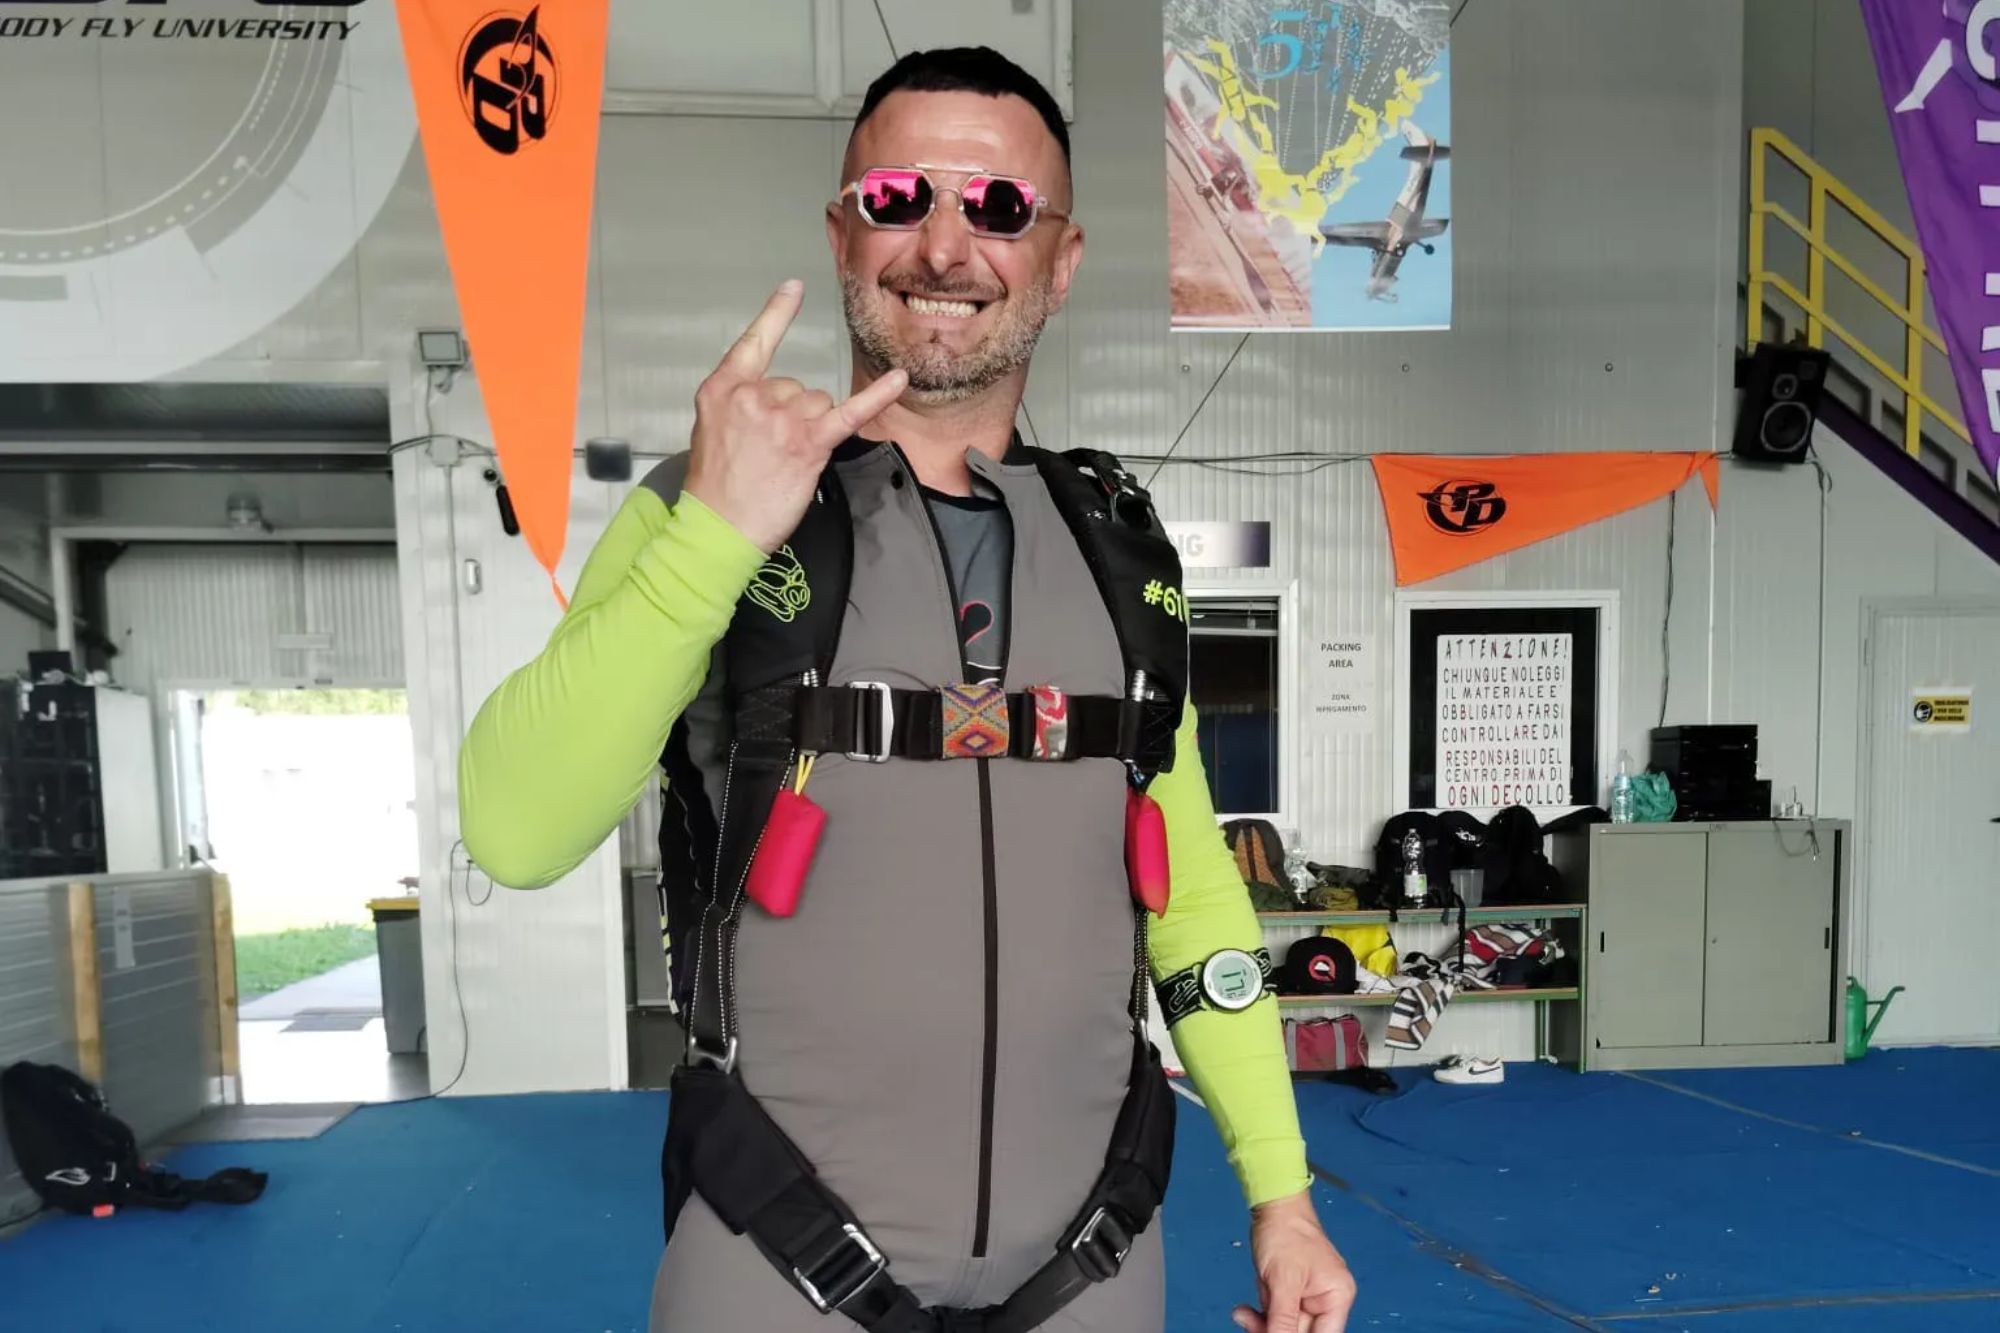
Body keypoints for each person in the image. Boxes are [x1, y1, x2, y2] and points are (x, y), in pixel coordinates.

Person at [457, 46, 1356, 1333]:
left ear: (1059, 256)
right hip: (775, 1264)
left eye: (997, 208)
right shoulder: (697, 510)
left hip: (1089, 1268)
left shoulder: (1116, 557)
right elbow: (514, 828)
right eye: (896, 198)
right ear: (841, 229)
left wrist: (1281, 1192)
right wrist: (714, 530)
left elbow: (1192, 895)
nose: (943, 245)